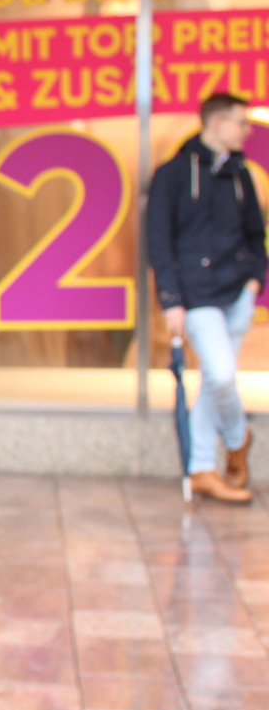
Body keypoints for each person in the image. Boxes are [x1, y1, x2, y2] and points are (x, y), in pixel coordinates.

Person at [147, 90, 266, 503]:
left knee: (213, 383)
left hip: (237, 293)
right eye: (241, 122)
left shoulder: (239, 173)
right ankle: (237, 438)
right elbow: (158, 239)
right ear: (217, 123)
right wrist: (171, 299)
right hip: (196, 295)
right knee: (220, 375)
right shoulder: (172, 174)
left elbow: (255, 231)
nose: (247, 130)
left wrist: (255, 279)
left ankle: (201, 469)